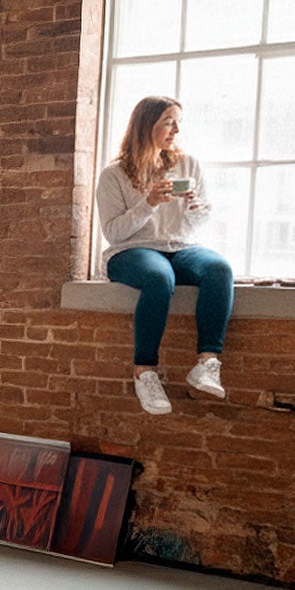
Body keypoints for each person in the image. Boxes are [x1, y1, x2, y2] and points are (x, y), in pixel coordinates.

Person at [97, 95, 233, 415]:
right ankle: (145, 373)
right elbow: (114, 233)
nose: (176, 131)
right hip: (131, 250)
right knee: (159, 278)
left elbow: (196, 223)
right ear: (146, 125)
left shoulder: (189, 164)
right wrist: (149, 203)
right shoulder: (114, 174)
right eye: (169, 122)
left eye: (177, 123)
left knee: (219, 269)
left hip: (180, 246)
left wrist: (196, 206)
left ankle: (206, 363)